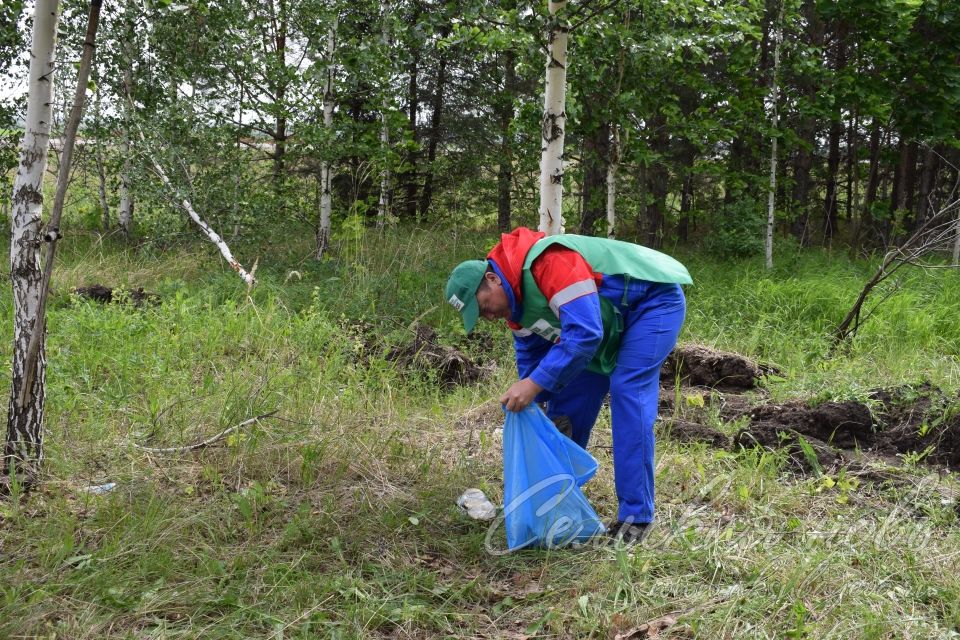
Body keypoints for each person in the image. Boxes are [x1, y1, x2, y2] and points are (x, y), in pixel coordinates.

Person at [445, 227, 691, 544]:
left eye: (483, 305)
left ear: (492, 279)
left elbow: (585, 333)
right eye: (479, 315)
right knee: (567, 402)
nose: (487, 316)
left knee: (627, 390)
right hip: (605, 324)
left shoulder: (548, 262)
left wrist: (533, 385)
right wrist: (532, 400)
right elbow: (532, 360)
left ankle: (636, 518)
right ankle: (553, 502)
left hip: (651, 304)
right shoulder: (515, 307)